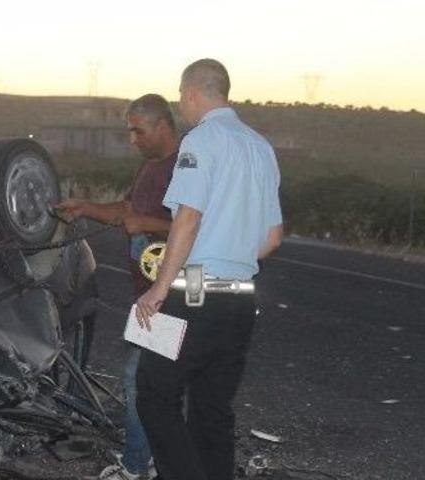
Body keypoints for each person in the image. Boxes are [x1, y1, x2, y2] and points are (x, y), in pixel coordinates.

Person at [134, 59, 284, 480]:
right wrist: (232, 248)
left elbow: (188, 217)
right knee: (211, 409)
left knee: (153, 393)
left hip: (192, 291)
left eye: (182, 98)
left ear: (192, 93)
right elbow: (271, 238)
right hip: (240, 297)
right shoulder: (260, 147)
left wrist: (159, 288)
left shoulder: (201, 140)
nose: (183, 106)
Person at [57, 93, 179, 480]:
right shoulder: (150, 167)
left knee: (137, 378)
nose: (133, 139)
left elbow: (200, 230)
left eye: (138, 131)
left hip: (172, 295)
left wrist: (146, 224)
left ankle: (136, 466)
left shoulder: (185, 168)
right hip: (147, 295)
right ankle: (162, 457)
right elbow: (127, 211)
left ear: (162, 126)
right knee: (155, 382)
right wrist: (85, 208)